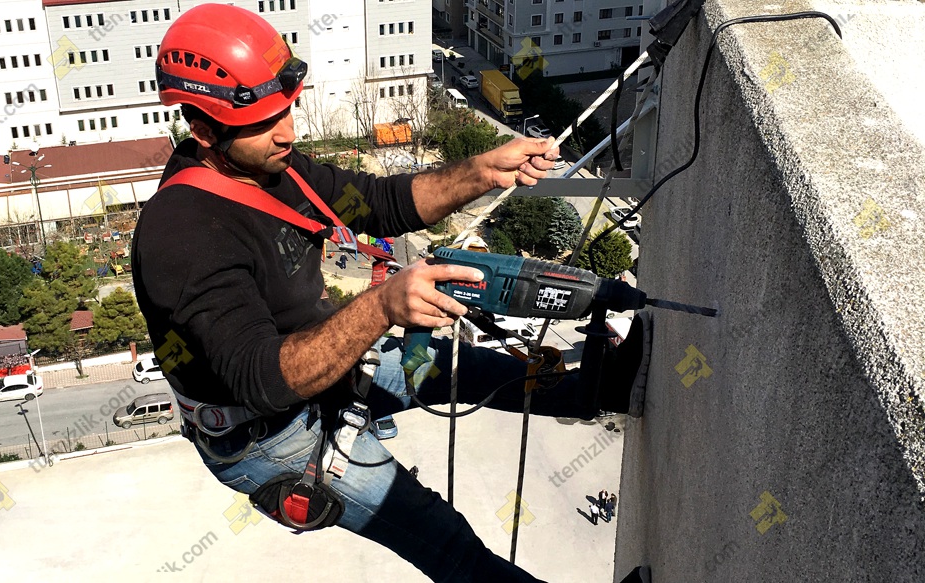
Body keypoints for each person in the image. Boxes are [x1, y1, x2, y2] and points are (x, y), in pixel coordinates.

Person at [133, 5, 652, 582]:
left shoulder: (269, 169)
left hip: (318, 371)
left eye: (286, 110)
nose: (289, 132)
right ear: (204, 129)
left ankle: (599, 389)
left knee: (461, 370)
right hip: (271, 436)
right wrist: (382, 306)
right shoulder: (179, 237)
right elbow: (264, 379)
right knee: (442, 539)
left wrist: (484, 171)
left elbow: (378, 202)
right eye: (264, 121)